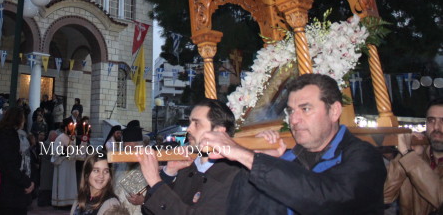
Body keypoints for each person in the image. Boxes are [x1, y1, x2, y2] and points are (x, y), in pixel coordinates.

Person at [200, 73, 387, 214]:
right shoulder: (284, 157)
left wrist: (250, 158)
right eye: (290, 111)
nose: (294, 120)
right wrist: (253, 166)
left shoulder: (364, 157)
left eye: (305, 109)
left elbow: (327, 199)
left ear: (334, 111)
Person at [137, 98, 242, 215]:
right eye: (190, 123)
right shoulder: (186, 168)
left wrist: (155, 181)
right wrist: (168, 173)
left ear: (219, 132)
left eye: (196, 124)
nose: (188, 129)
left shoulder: (234, 176)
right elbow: (148, 211)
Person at [384, 97, 443, 214]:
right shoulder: (415, 155)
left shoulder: (411, 159)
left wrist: (408, 156)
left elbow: (440, 199)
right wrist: (405, 155)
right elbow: (384, 196)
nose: (436, 127)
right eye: (431, 120)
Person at [0, 106, 39, 215]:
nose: (24, 121)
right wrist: (27, 182)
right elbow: (10, 164)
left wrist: (32, 181)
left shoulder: (20, 136)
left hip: (18, 189)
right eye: (23, 118)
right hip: (9, 190)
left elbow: (28, 161)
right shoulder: (7, 136)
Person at [113, 122, 146, 215]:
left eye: (133, 147)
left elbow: (158, 196)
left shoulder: (148, 166)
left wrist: (144, 201)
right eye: (126, 147)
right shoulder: (120, 165)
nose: (130, 151)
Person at [52, 119, 83, 207]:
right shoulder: (60, 137)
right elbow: (55, 152)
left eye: (73, 126)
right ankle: (61, 202)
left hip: (71, 164)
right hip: (63, 164)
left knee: (70, 183)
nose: (72, 128)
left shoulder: (72, 138)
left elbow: (74, 150)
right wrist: (64, 150)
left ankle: (70, 202)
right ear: (65, 127)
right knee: (63, 183)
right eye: (70, 126)